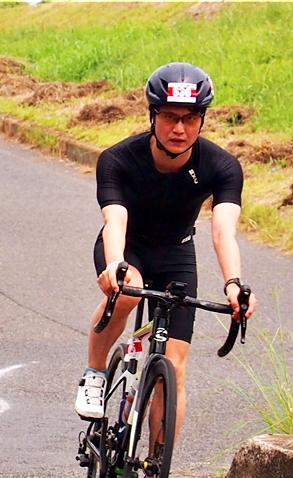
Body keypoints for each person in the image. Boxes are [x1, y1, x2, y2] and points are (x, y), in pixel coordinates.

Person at [74, 62, 258, 444]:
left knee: (173, 370)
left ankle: (156, 464)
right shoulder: (118, 159)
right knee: (127, 290)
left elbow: (223, 230)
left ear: (202, 120)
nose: (179, 129)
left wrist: (234, 284)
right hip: (129, 247)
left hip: (177, 253)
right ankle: (95, 373)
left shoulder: (221, 166)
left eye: (190, 119)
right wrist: (115, 265)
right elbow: (114, 220)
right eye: (170, 117)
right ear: (152, 115)